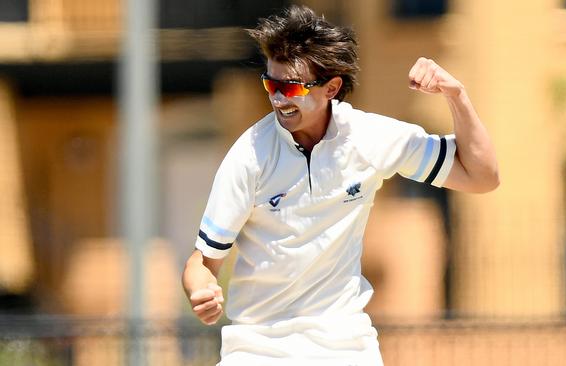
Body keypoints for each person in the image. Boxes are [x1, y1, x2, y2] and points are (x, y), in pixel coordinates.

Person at [182, 5, 499, 365]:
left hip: (346, 347)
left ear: (331, 87)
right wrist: (201, 288)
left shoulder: (369, 137)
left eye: (291, 86)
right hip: (258, 349)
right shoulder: (249, 155)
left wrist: (456, 95)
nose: (278, 98)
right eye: (271, 83)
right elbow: (202, 262)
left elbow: (482, 176)